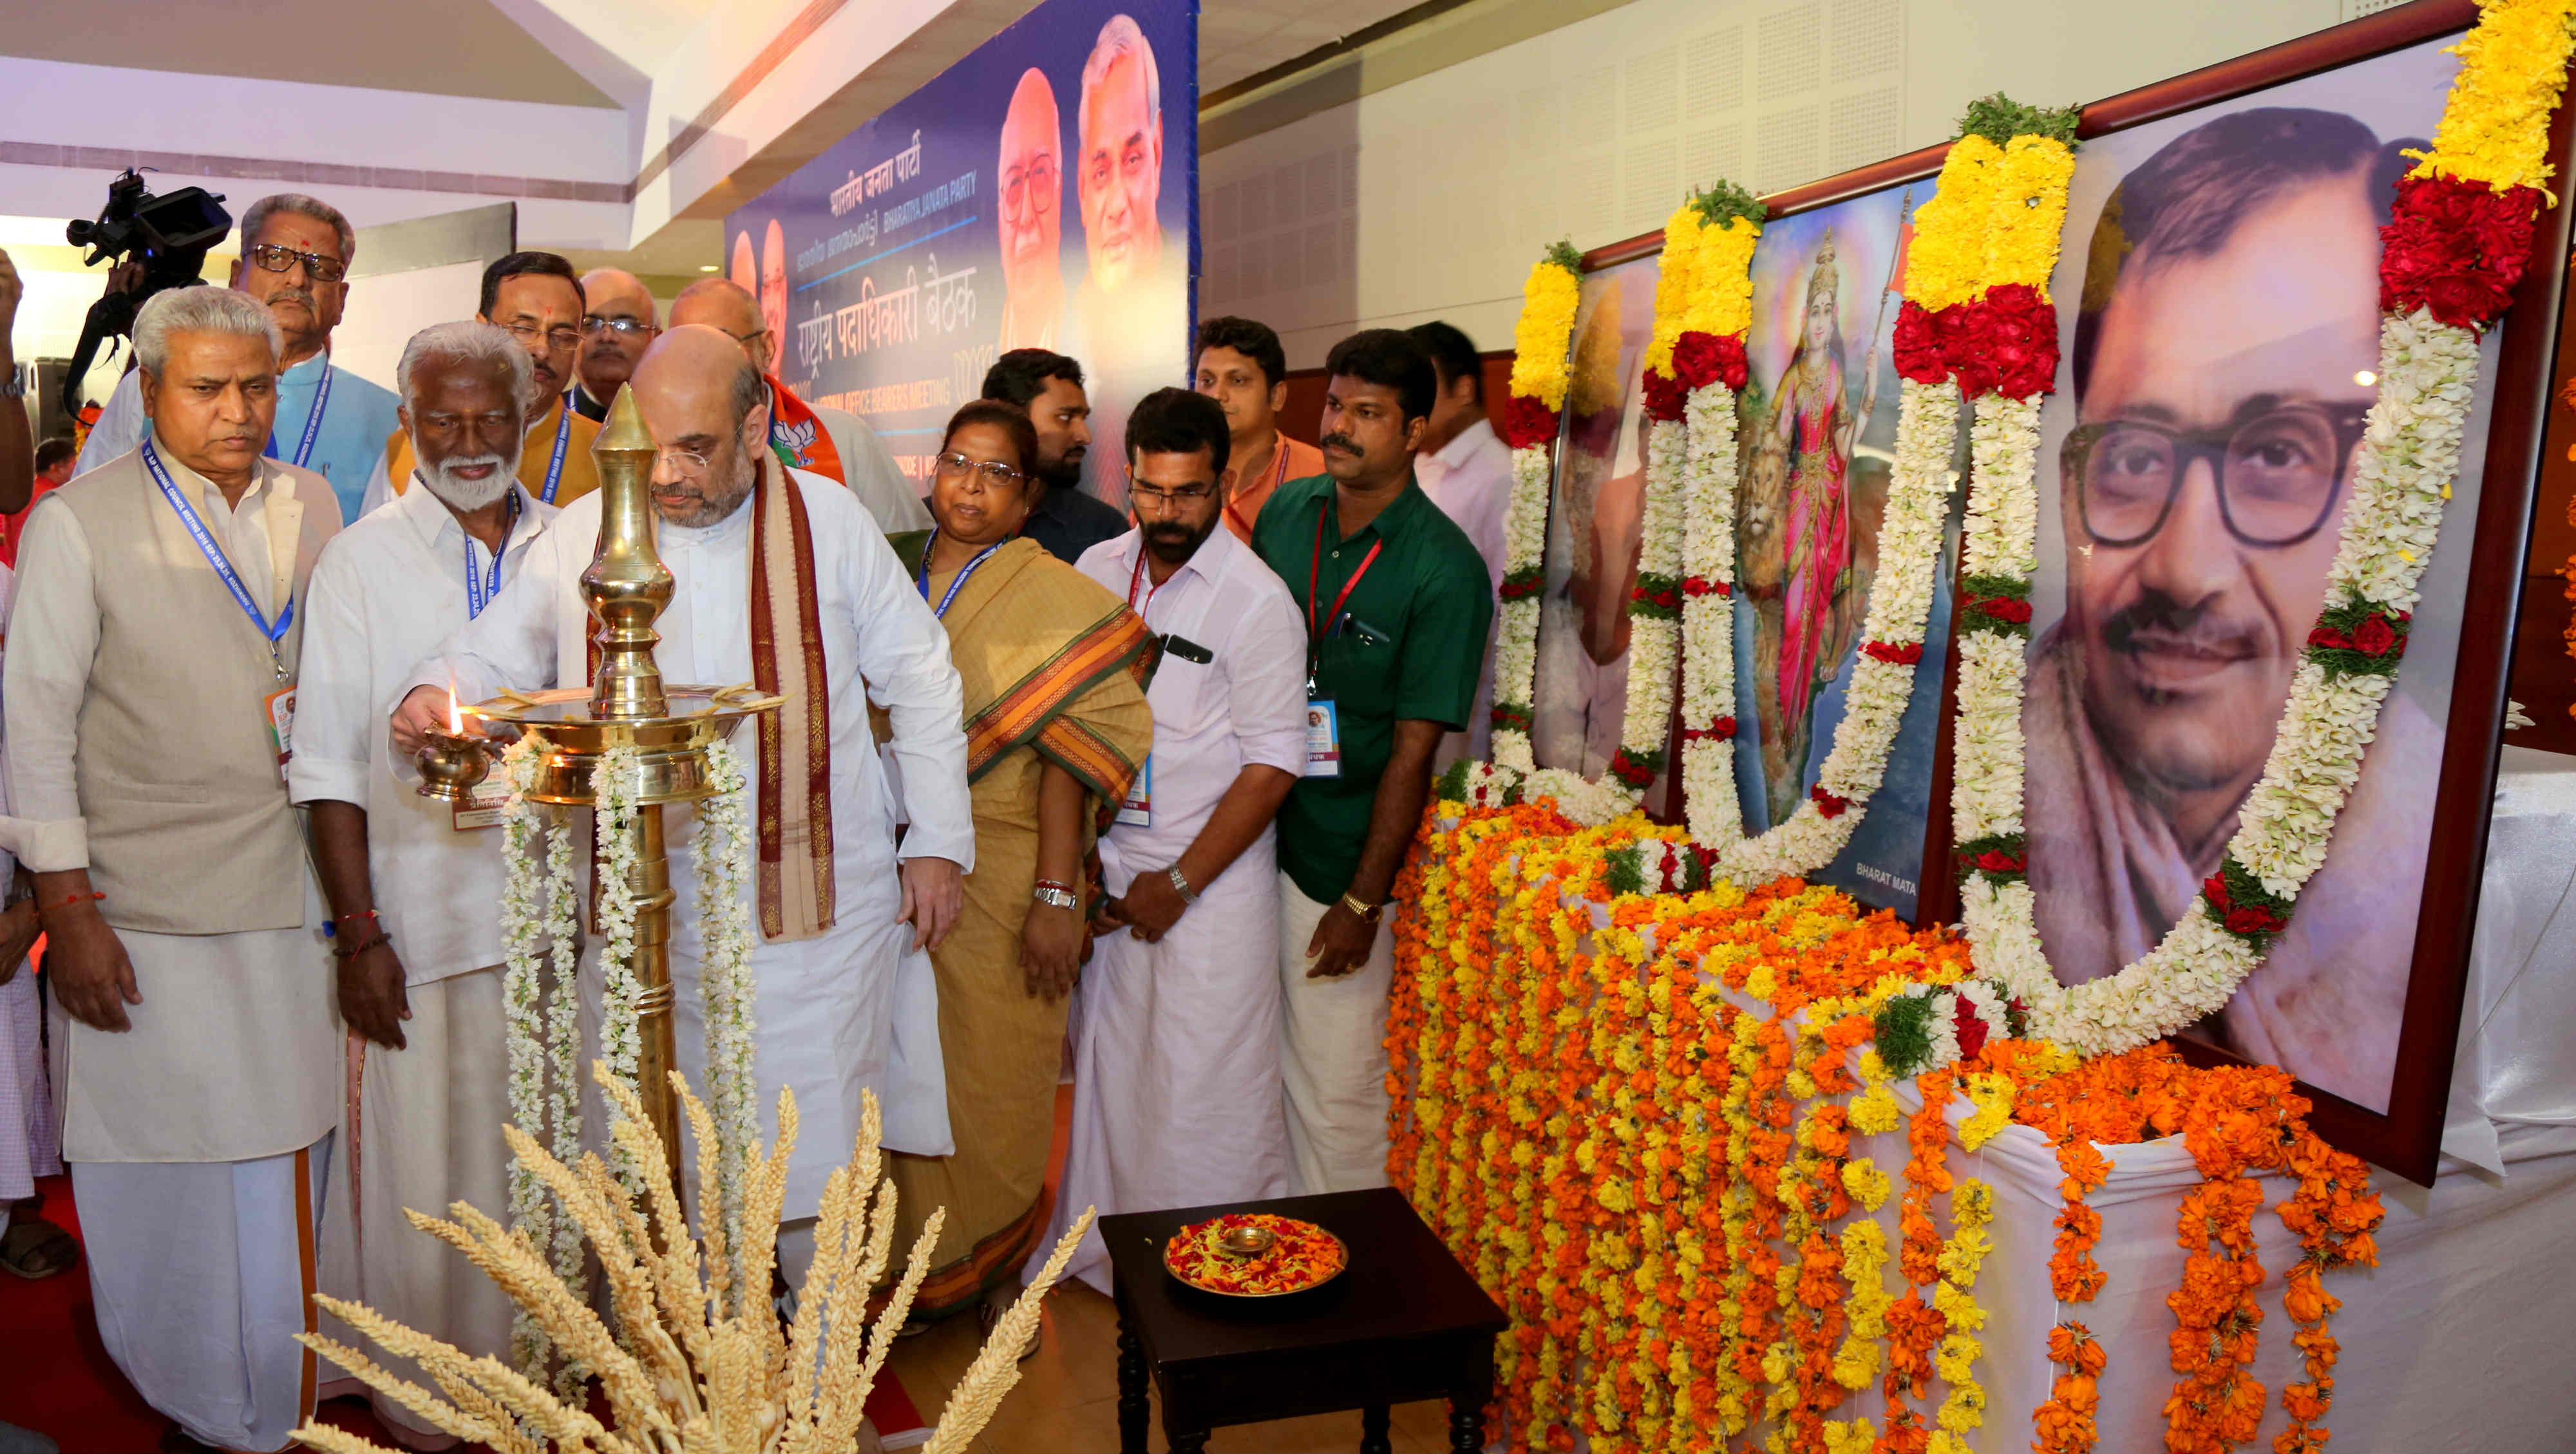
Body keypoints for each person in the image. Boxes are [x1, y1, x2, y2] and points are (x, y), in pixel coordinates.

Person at [387, 325, 973, 1294]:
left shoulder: (828, 522)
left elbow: (920, 678)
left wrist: (939, 844)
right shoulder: (587, 531)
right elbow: (495, 651)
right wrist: (430, 690)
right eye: (648, 442)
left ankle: (818, 1405)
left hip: (811, 923)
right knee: (665, 1174)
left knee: (815, 1173)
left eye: (694, 448)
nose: (663, 475)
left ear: (756, 428)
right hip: (645, 929)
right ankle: (698, 1399)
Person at [2029, 106, 2434, 1112]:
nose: (2185, 566)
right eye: (2129, 457)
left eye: (2278, 452)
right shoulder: (1968, 797)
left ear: (2396, 483)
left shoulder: (2453, 868)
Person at [6, 286, 343, 1454]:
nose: (239, 410)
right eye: (208, 388)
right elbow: (34, 732)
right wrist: (69, 906)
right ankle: (195, 1400)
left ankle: (276, 1395)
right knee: (169, 1180)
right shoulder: (78, 523)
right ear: (150, 391)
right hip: (143, 918)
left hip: (292, 903)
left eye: (259, 387)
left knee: (286, 1162)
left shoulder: (316, 500)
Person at [290, 323, 549, 1445]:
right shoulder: (360, 557)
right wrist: (361, 936)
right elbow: (331, 765)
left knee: (538, 1165)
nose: (468, 440)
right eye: (441, 418)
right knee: (419, 1170)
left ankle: (535, 1372)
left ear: (529, 414)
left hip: (555, 928)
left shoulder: (571, 546)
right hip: (418, 926)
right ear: (407, 422)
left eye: (491, 415)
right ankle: (420, 1398)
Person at [883, 399, 1152, 1344]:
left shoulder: (1055, 595)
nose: (971, 485)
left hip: (1000, 867)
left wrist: (1053, 896)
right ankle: (901, 1275)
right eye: (959, 461)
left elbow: (1070, 761)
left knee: (993, 1078)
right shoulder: (885, 566)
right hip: (884, 862)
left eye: (997, 472)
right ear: (934, 469)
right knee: (891, 1073)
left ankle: (993, 1266)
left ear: (1028, 496)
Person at [1046, 388, 1303, 1296]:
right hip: (1110, 883)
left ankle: (1208, 1277)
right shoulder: (1094, 565)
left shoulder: (1256, 601)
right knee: (1117, 1079)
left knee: (1202, 1091)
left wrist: (1181, 884)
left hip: (1208, 893)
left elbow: (1274, 764)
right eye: (1152, 492)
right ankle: (1111, 1257)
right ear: (1130, 480)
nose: (1168, 514)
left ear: (1223, 483)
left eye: (1189, 494)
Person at [1249, 328, 1490, 1194]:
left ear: (1416, 430)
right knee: (1254, 1068)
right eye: (1335, 406)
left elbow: (1416, 750)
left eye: (1369, 413)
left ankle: (1338, 1281)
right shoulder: (1286, 512)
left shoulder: (1443, 568)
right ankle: (1269, 1244)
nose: (1342, 426)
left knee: (1336, 1087)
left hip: (1339, 854)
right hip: (1250, 833)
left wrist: (1363, 899)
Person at [77, 194, 399, 527]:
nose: (298, 279)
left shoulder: (394, 421)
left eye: (320, 267)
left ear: (341, 300)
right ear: (235, 277)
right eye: (274, 257)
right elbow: (87, 514)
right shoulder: (155, 389)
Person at [1752, 230, 1877, 817]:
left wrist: (1871, 394)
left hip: (1831, 499)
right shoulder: (1795, 377)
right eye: (1816, 310)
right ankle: (1788, 708)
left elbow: (1845, 440)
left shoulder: (1835, 377)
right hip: (1801, 498)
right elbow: (1775, 446)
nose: (1823, 320)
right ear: (1804, 317)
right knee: (1798, 610)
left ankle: (1807, 700)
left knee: (1832, 594)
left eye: (1831, 311)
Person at [668, 277, 931, 534]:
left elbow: (906, 550)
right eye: (685, 350)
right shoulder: (655, 452)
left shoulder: (844, 437)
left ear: (767, 348)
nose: (702, 364)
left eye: (722, 343)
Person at [361, 252, 603, 515]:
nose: (542, 350)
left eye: (563, 335)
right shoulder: (411, 449)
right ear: (482, 328)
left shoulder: (607, 456)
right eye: (522, 328)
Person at [1405, 320, 1510, 766]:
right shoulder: (1420, 466)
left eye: (1421, 386)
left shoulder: (1502, 474)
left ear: (1463, 389)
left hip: (1459, 701)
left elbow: (1504, 611)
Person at [980, 348, 1127, 562]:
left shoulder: (1102, 531)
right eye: (1065, 417)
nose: (1085, 436)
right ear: (1009, 420)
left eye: (1083, 418)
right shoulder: (937, 519)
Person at [1193, 316, 1323, 542]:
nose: (1217, 395)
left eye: (1237, 381)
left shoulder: (1322, 476)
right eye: (1207, 381)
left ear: (1276, 396)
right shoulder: (1175, 474)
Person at [997, 68, 1066, 352]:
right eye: (1013, 184)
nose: (1026, 217)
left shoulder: (1090, 336)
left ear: (1060, 191)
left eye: (1040, 175)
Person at [570, 267, 660, 420]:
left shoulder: (678, 421)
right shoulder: (533, 420)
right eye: (590, 324)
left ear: (656, 338)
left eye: (626, 325)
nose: (607, 336)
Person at [2, 437, 76, 569]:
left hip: (20, 571)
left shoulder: (25, 492)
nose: (77, 468)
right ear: (55, 468)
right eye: (74, 463)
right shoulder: (52, 497)